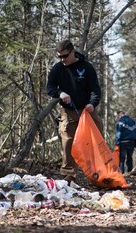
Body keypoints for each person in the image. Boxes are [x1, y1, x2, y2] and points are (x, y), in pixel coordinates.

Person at [47, 39, 103, 184]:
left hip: (87, 111)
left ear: (73, 52)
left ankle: (99, 173)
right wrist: (60, 93)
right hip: (68, 112)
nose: (62, 59)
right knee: (68, 143)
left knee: (96, 141)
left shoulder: (87, 67)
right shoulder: (57, 68)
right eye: (59, 57)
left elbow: (95, 89)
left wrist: (92, 104)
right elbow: (50, 88)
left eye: (65, 56)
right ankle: (69, 175)